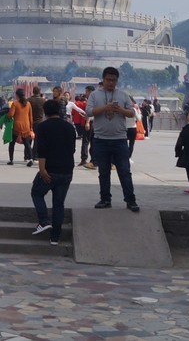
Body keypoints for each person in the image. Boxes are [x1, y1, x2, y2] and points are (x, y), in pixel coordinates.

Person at [87, 67, 139, 212]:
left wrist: (120, 110)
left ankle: (130, 200)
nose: (111, 83)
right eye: (108, 80)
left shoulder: (123, 95)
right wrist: (105, 107)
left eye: (114, 80)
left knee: (124, 171)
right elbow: (89, 112)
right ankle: (105, 199)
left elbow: (131, 113)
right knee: (103, 172)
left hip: (120, 139)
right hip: (100, 139)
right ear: (103, 79)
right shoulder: (94, 95)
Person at [30, 99, 76, 246]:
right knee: (59, 204)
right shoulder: (69, 127)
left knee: (37, 193)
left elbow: (42, 149)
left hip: (50, 169)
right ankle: (55, 237)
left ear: (45, 111)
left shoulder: (43, 127)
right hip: (67, 170)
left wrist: (42, 169)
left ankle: (44, 221)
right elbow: (72, 149)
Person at [7, 88, 33, 165]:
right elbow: (30, 117)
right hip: (26, 126)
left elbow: (10, 115)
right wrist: (31, 127)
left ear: (17, 95)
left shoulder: (15, 103)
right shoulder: (28, 104)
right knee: (27, 143)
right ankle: (30, 159)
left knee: (12, 143)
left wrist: (7, 115)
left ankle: (11, 160)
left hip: (16, 126)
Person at [76, 86, 94, 169]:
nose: (85, 93)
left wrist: (87, 122)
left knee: (87, 141)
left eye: (86, 91)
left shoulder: (92, 100)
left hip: (90, 122)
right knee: (90, 141)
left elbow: (90, 112)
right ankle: (89, 159)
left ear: (90, 91)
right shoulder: (93, 99)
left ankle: (89, 159)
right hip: (91, 121)